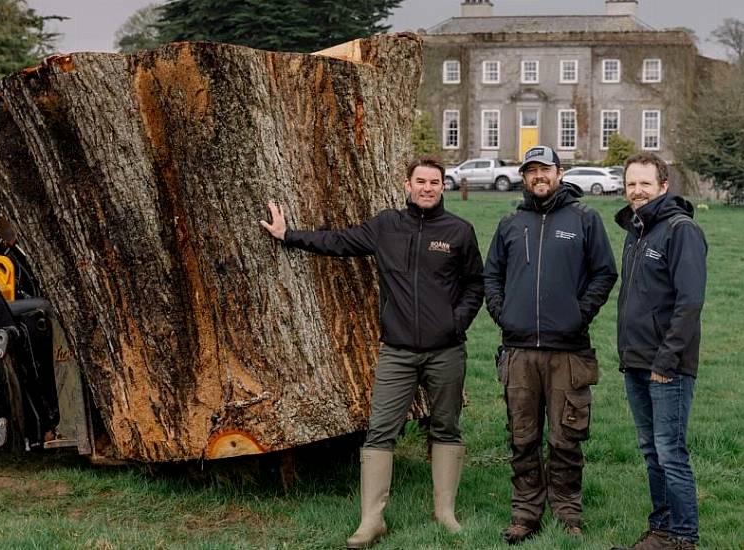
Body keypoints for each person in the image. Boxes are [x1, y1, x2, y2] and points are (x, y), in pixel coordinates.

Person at [260, 157, 484, 549]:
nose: (427, 188)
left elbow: (475, 284)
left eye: (434, 182)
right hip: (396, 351)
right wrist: (289, 234)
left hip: (446, 351)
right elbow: (339, 241)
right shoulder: (386, 226)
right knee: (381, 430)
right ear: (407, 184)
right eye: (420, 181)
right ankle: (371, 521)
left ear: (443, 187)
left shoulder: (459, 232)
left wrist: (456, 321)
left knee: (445, 427)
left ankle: (445, 513)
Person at [483, 145, 617, 544]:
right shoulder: (510, 222)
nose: (539, 177)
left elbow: (605, 273)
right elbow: (491, 275)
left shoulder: (584, 219)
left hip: (568, 352)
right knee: (522, 437)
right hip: (519, 351)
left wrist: (579, 314)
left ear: (560, 172)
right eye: (532, 171)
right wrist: (503, 314)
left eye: (546, 170)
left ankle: (567, 511)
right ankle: (525, 513)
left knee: (565, 438)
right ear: (524, 177)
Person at [611, 152, 707, 550]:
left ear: (663, 186)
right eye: (631, 184)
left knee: (671, 452)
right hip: (635, 361)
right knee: (652, 451)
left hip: (667, 365)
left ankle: (683, 537)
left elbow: (689, 303)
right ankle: (662, 529)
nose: (637, 191)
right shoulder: (638, 231)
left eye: (645, 184)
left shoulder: (680, 230)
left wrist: (666, 361)